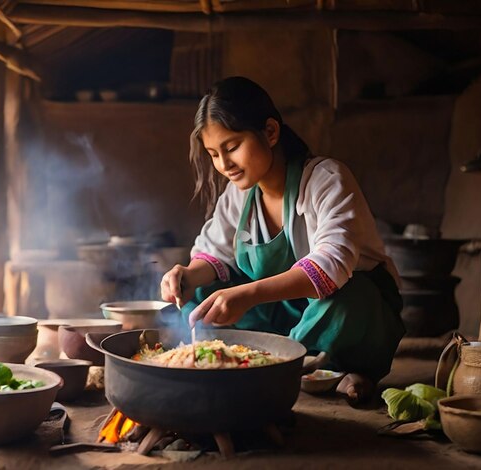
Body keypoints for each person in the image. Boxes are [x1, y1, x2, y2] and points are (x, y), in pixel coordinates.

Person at [160, 76, 405, 403]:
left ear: (271, 132)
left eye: (232, 147)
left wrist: (247, 294)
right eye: (213, 154)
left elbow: (331, 267)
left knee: (348, 301)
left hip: (349, 311)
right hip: (283, 314)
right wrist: (187, 276)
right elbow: (214, 252)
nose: (224, 165)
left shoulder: (325, 180)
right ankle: (301, 366)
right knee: (200, 297)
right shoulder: (238, 196)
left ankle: (337, 367)